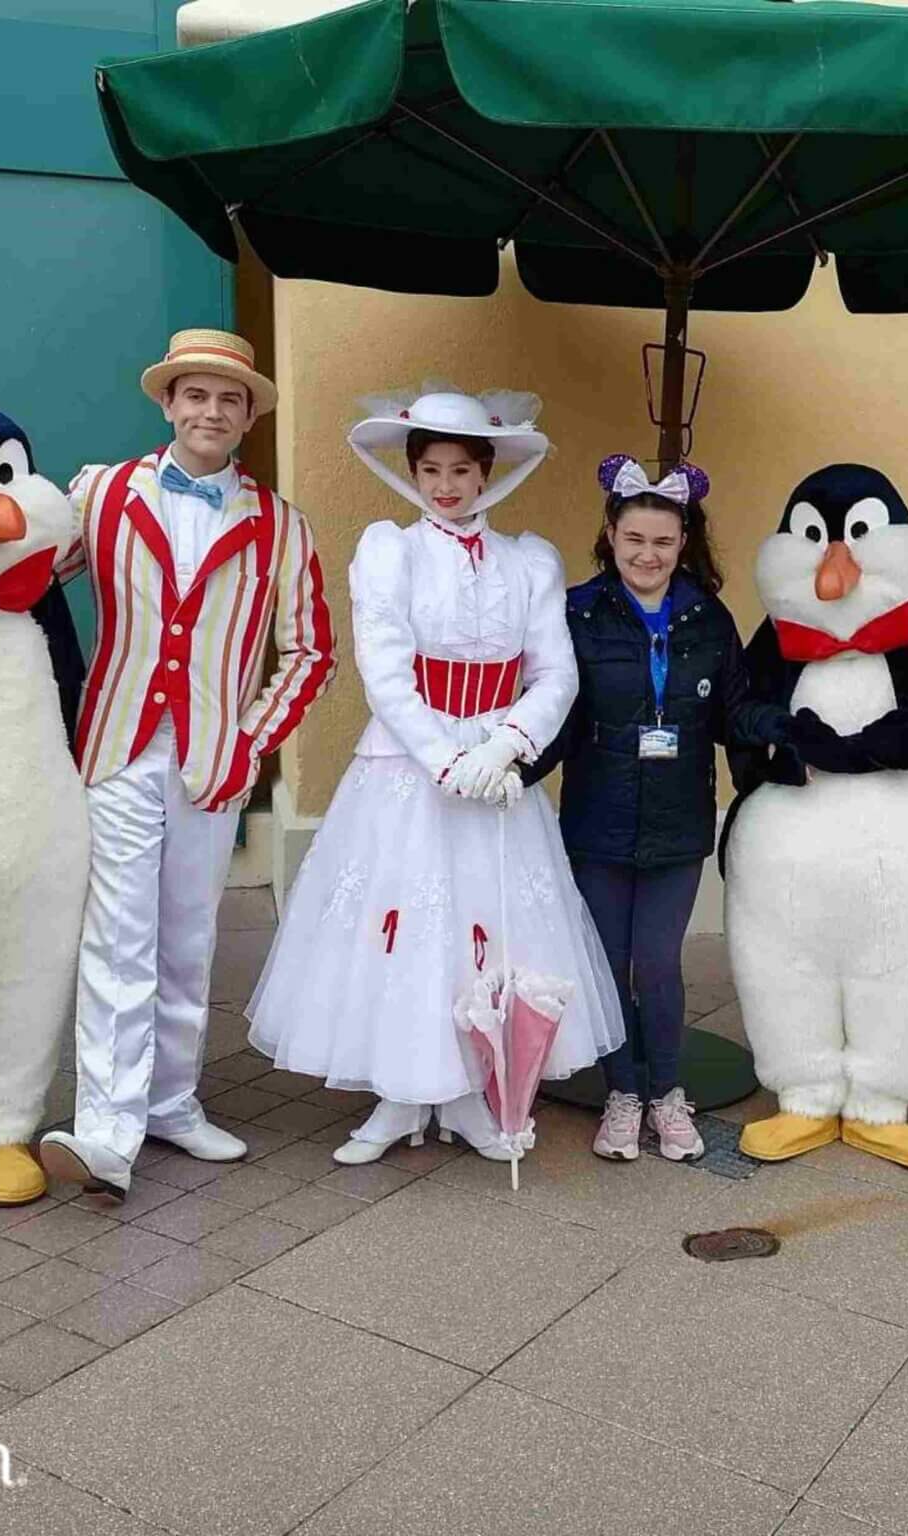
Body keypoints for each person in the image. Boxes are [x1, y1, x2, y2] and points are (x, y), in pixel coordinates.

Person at [246, 387, 625, 1166]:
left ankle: (466, 1095)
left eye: (460, 470)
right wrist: (446, 759)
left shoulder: (530, 561)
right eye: (431, 470)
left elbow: (555, 672)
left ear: (486, 472)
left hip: (494, 768)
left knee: (484, 926)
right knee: (408, 929)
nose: (446, 486)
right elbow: (384, 671)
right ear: (413, 473)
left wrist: (505, 746)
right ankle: (401, 1095)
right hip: (408, 765)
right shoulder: (392, 551)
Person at [37, 329, 336, 1201]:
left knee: (187, 937)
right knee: (118, 934)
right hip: (118, 746)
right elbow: (24, 580)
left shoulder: (281, 525)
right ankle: (107, 1129)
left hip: (211, 759)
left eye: (229, 399)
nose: (211, 411)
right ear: (168, 404)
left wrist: (250, 739)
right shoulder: (100, 494)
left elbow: (312, 651)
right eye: (196, 395)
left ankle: (170, 1102)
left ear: (248, 418)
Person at [521, 455, 789, 1162]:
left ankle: (667, 1094)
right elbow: (557, 716)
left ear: (683, 543)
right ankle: (622, 1096)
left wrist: (791, 736)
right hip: (598, 822)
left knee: (659, 963)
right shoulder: (578, 614)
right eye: (635, 538)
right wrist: (510, 771)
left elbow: (735, 713)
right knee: (609, 964)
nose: (648, 554)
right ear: (610, 534)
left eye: (664, 542)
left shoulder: (707, 617)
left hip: (678, 824)